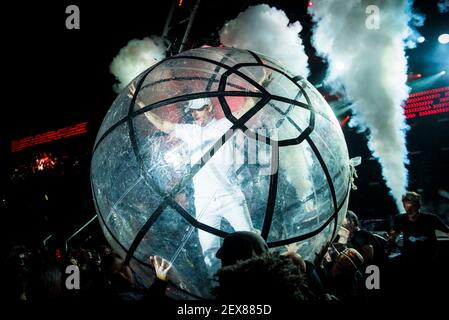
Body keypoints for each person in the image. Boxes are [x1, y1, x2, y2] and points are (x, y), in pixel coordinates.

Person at [129, 75, 271, 270]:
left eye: (198, 110)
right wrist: (142, 105)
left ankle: (267, 278)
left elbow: (246, 108)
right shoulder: (189, 131)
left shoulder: (224, 124)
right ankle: (218, 291)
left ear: (209, 108)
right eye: (192, 111)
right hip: (204, 201)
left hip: (230, 197)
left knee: (251, 239)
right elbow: (163, 125)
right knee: (209, 253)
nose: (194, 114)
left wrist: (260, 86)